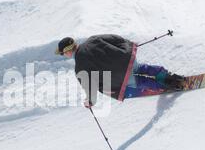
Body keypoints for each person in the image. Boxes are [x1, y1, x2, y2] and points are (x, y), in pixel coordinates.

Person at [55, 35, 186, 108]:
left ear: (67, 51)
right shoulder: (92, 39)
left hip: (120, 77)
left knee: (140, 81)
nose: (63, 55)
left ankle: (168, 85)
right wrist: (128, 45)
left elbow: (90, 88)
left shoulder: (79, 67)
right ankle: (171, 78)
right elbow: (114, 38)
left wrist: (90, 102)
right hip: (127, 59)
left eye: (62, 54)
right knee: (142, 68)